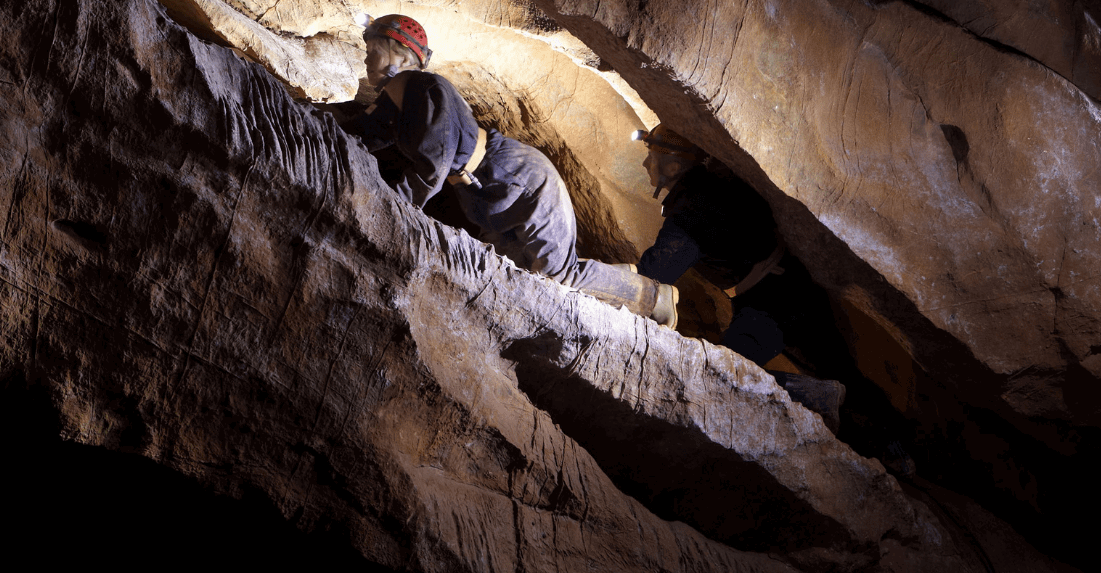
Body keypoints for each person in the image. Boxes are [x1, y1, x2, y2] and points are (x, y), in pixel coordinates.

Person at [353, 15, 678, 327]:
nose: (367, 58)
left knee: (558, 273)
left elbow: (432, 166)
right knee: (508, 273)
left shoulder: (426, 87)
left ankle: (654, 297)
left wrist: (391, 204)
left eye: (374, 50)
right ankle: (619, 278)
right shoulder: (394, 100)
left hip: (518, 177)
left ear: (401, 52)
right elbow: (362, 133)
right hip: (483, 193)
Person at [630, 124, 846, 431]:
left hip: (772, 302)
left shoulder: (693, 208)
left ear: (673, 166)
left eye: (650, 156)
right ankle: (890, 447)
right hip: (789, 289)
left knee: (722, 375)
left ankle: (813, 396)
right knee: (843, 370)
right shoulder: (708, 190)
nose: (644, 163)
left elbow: (656, 273)